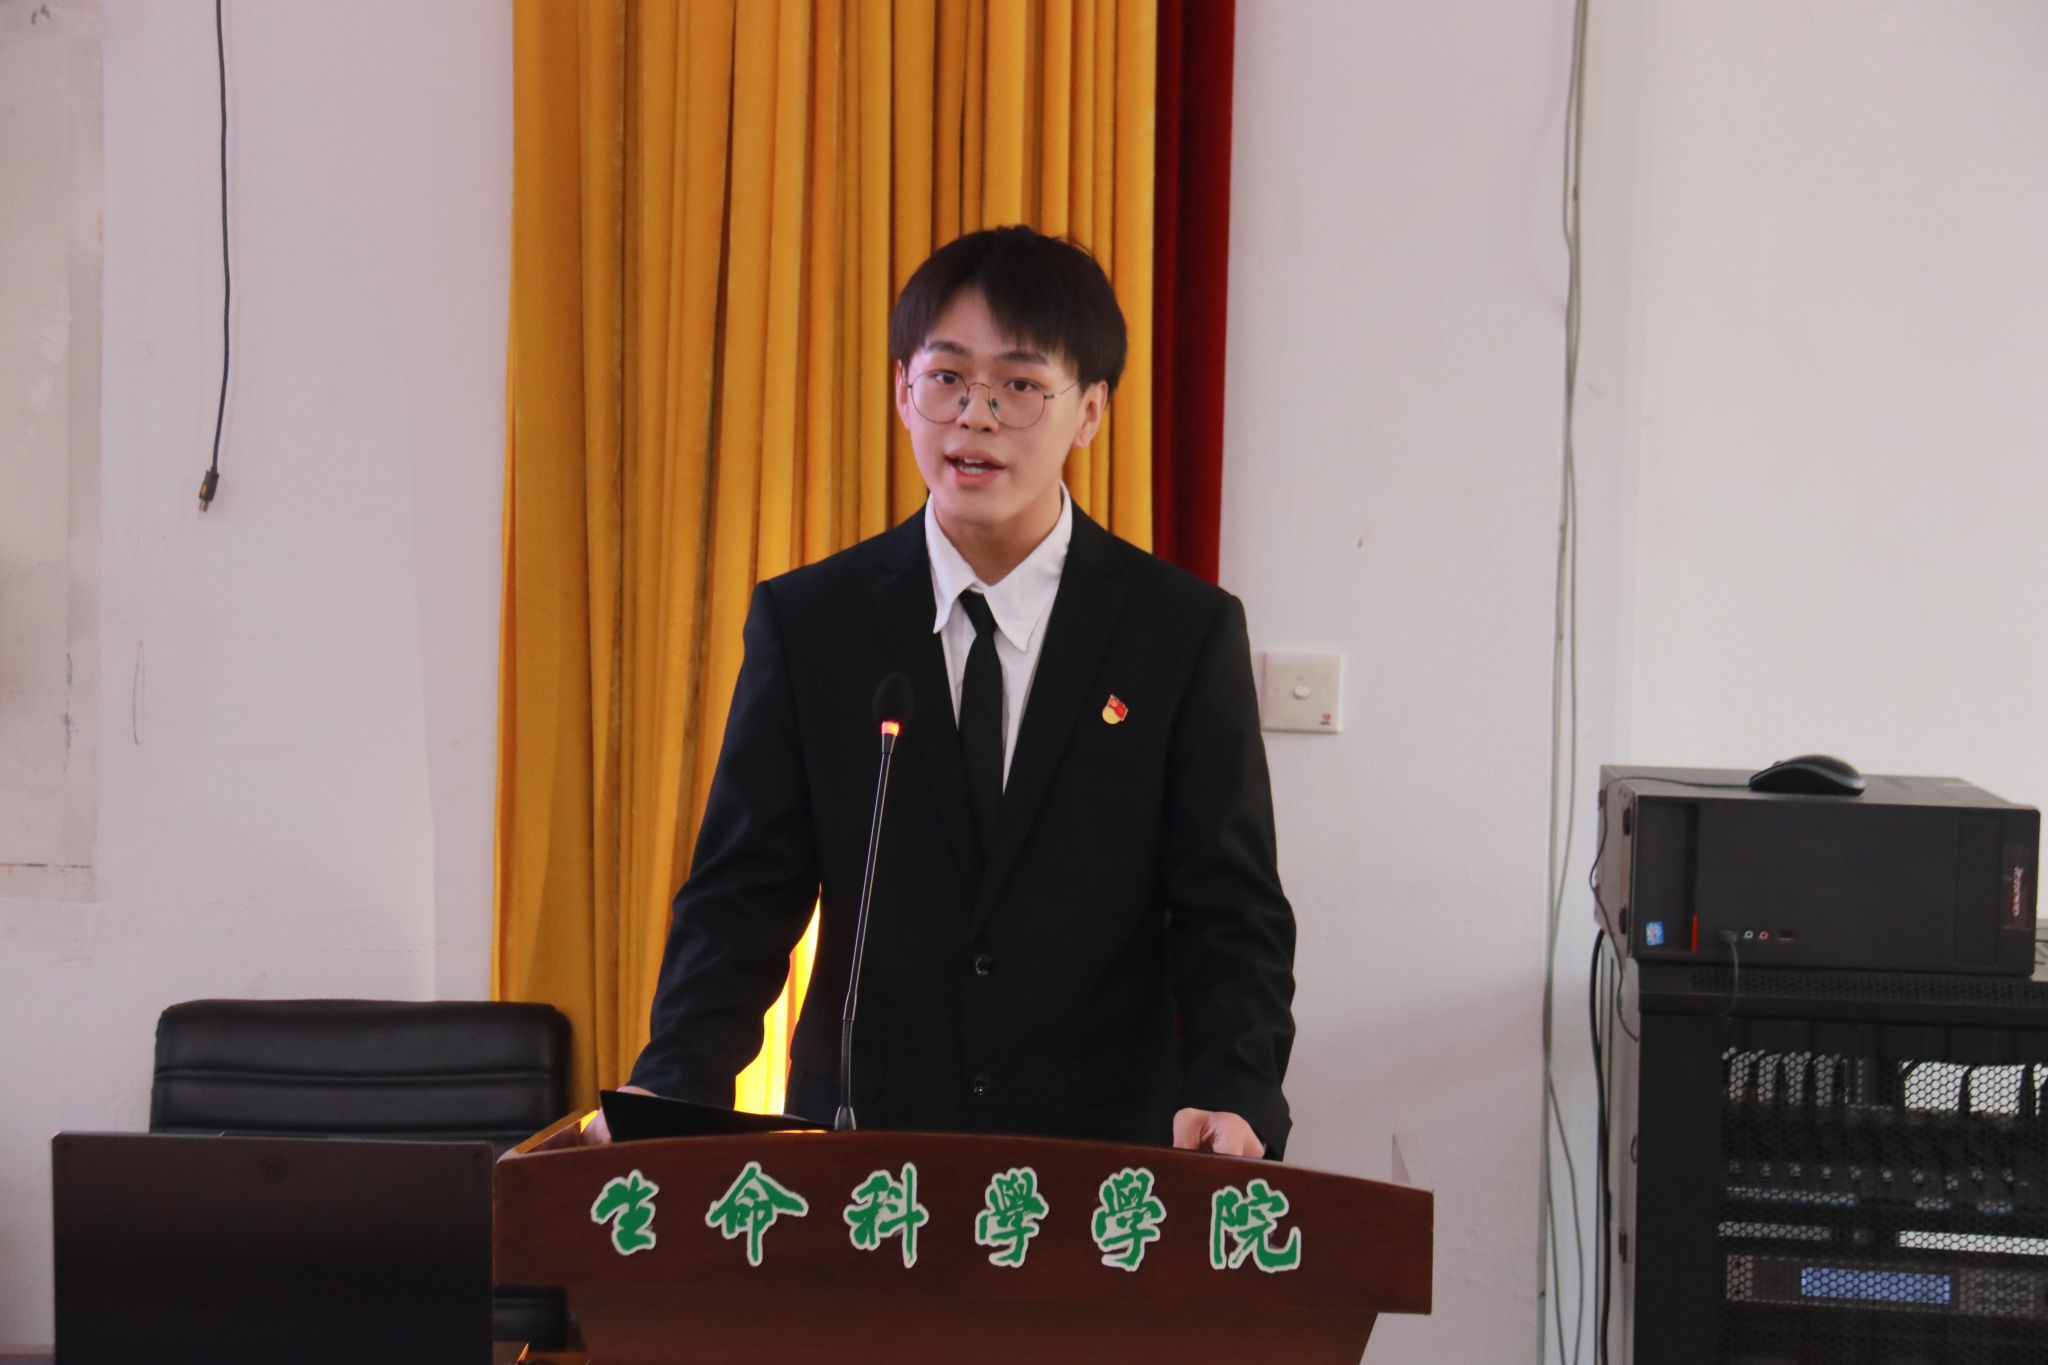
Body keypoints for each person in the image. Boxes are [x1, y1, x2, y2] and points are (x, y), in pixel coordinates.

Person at [605, 225, 1295, 1158]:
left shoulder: (1179, 633)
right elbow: (741, 895)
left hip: (1100, 1156)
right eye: (948, 378)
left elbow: (1231, 909)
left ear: (1090, 410)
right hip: (868, 1150)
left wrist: (1235, 1089)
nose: (976, 416)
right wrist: (673, 1085)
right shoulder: (812, 623)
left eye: (1020, 385)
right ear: (904, 391)